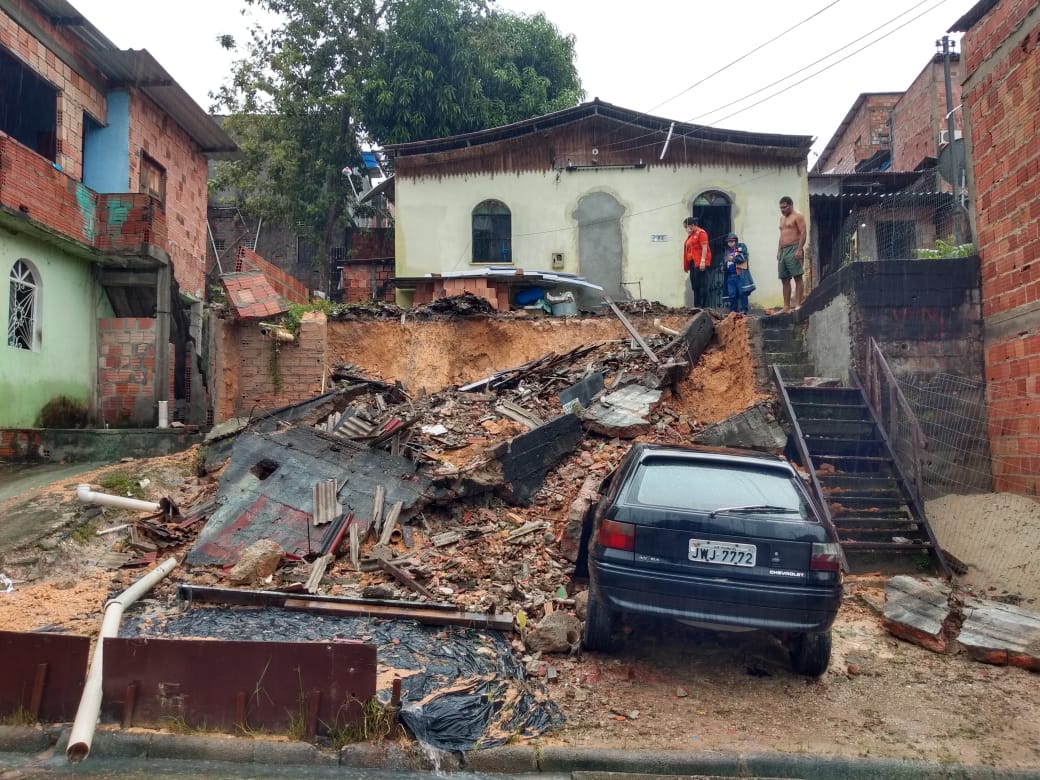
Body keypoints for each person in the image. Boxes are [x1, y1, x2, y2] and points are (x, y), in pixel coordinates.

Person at [776, 196, 807, 313]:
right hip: (783, 251)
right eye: (780, 208)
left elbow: (803, 233)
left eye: (784, 207)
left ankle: (798, 304)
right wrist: (779, 250)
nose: (782, 210)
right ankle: (786, 306)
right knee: (784, 278)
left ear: (790, 205)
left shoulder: (798, 216)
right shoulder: (782, 218)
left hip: (794, 248)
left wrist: (799, 249)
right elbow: (781, 235)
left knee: (797, 277)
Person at [682, 216, 712, 309]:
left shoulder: (701, 233)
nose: (686, 229)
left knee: (702, 284)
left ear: (692, 225)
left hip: (700, 262)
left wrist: (703, 261)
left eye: (686, 227)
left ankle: (704, 306)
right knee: (695, 285)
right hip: (692, 263)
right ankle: (697, 305)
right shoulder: (690, 236)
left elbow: (704, 247)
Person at [723, 232, 750, 314]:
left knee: (742, 292)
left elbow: (743, 258)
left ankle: (744, 310)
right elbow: (723, 262)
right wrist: (722, 266)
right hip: (730, 276)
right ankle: (734, 311)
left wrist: (733, 259)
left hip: (739, 275)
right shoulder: (726, 251)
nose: (730, 243)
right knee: (732, 294)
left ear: (735, 241)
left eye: (732, 241)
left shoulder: (741, 248)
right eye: (729, 241)